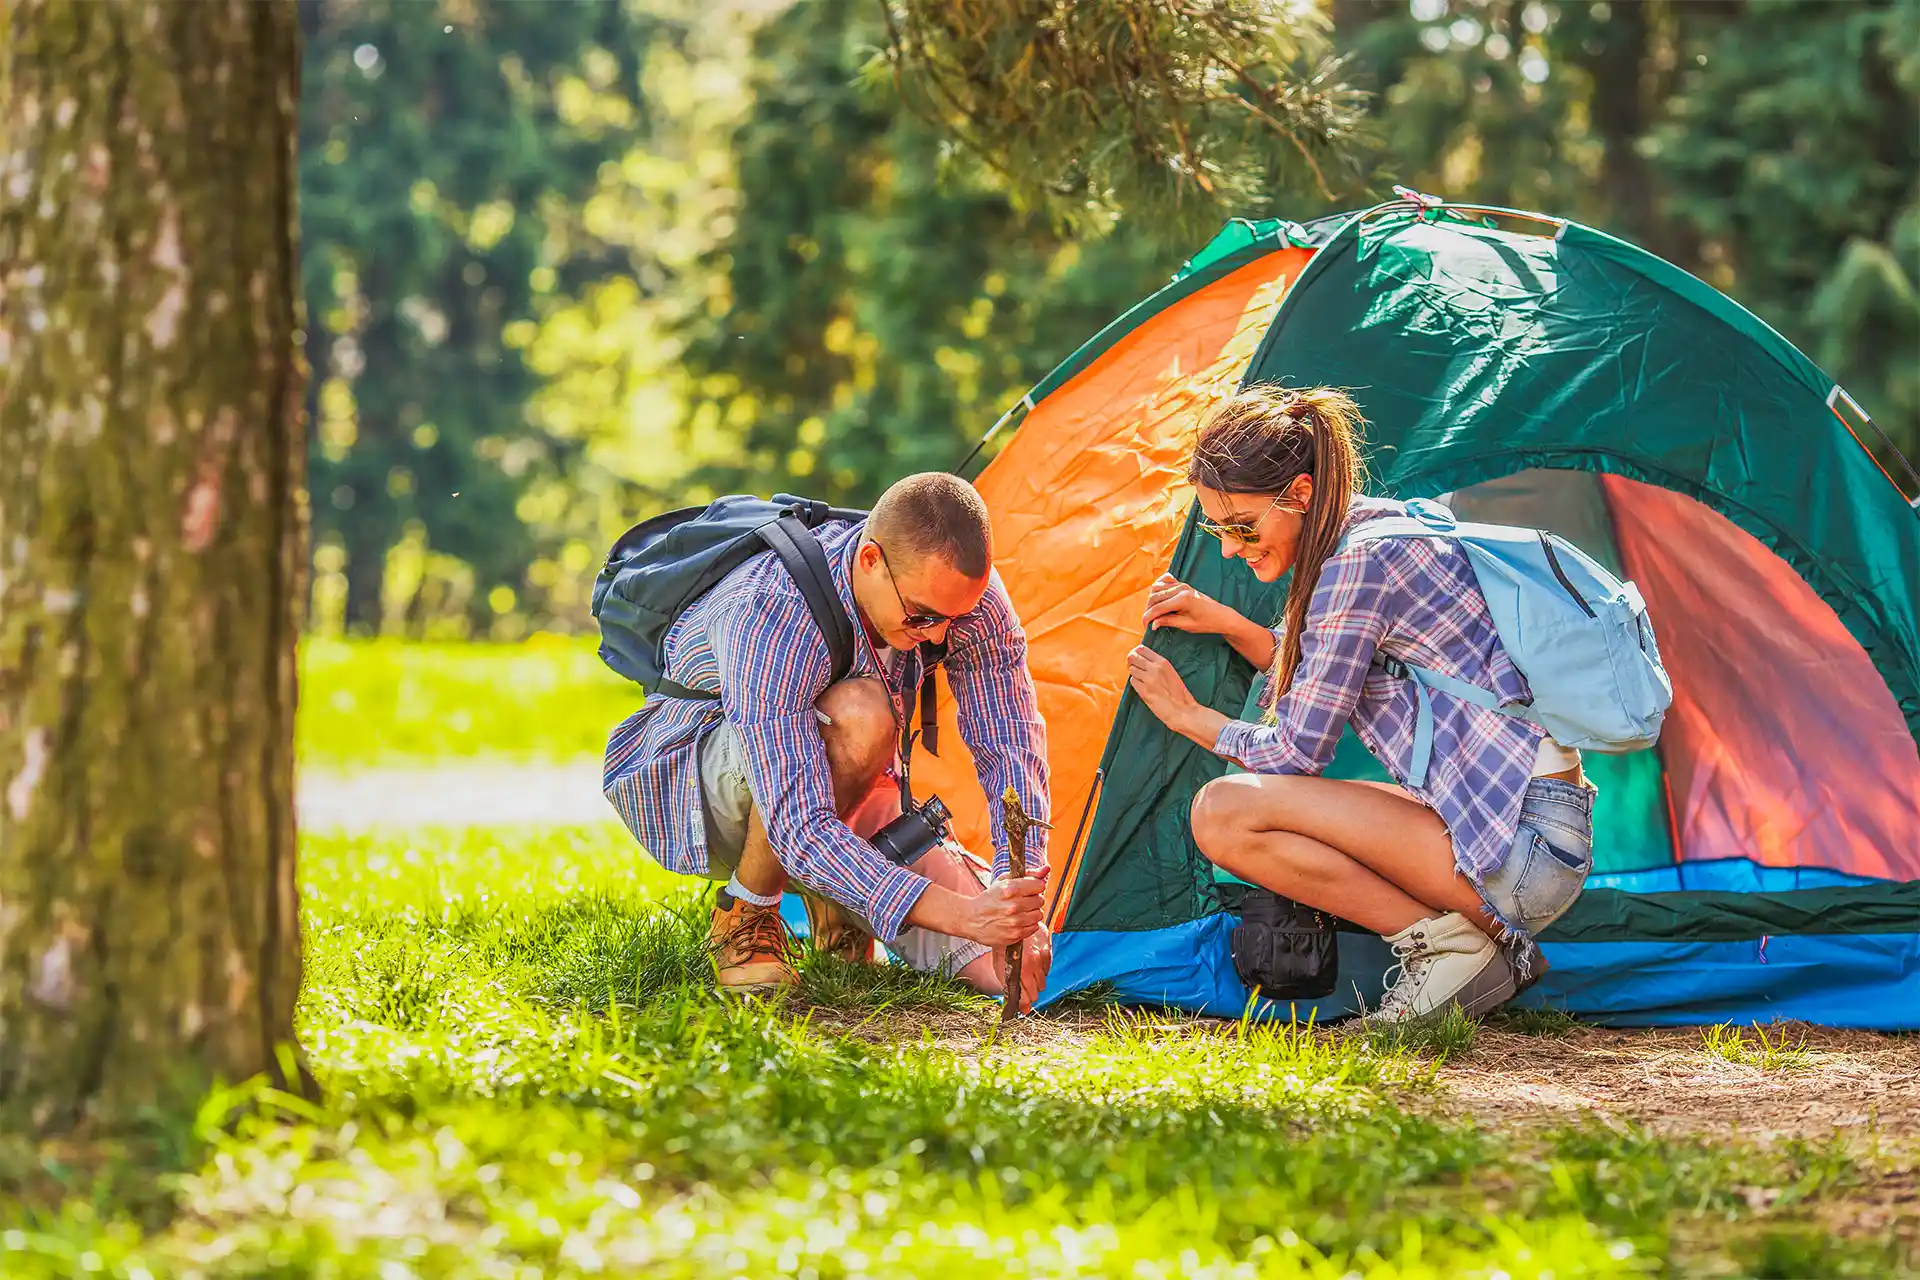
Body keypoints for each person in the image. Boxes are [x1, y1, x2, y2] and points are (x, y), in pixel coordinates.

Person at [1123, 385, 1596, 1023]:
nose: (1231, 547)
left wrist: (1189, 717)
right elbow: (1330, 670)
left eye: (1242, 526)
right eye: (1218, 527)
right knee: (1301, 809)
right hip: (1536, 830)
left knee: (1223, 814)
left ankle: (1448, 950)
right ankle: (1493, 947)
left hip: (1524, 852)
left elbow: (1298, 750)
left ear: (1300, 494)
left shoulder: (1356, 567)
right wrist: (1234, 627)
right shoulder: (1381, 527)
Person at [604, 473, 1052, 1008]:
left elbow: (1010, 742)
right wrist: (964, 915)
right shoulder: (771, 607)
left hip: (843, 788)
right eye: (923, 617)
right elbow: (797, 823)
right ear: (870, 561)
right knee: (863, 715)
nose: (937, 635)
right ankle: (745, 915)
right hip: (703, 782)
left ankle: (837, 904)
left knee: (1007, 974)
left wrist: (1014, 887)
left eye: (952, 619)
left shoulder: (961, 600)